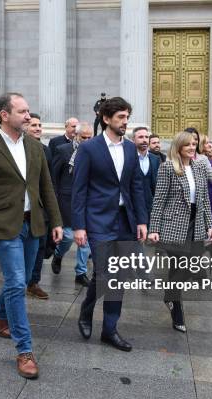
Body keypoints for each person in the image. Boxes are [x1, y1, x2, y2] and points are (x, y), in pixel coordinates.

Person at [0, 92, 62, 379]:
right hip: (5, 226)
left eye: (28, 111)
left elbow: (46, 187)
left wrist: (56, 220)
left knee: (18, 280)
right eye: (22, 111)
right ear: (4, 115)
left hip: (33, 225)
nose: (28, 116)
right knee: (18, 283)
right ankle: (25, 350)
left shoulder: (35, 146)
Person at [73, 97, 148, 352]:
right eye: (121, 118)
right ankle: (86, 311)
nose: (125, 122)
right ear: (106, 119)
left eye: (127, 117)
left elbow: (136, 186)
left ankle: (109, 329)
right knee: (105, 273)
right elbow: (79, 190)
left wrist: (141, 220)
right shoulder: (89, 149)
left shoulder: (130, 149)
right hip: (98, 221)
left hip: (125, 220)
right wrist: (80, 226)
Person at [148, 131, 212, 333]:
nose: (192, 147)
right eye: (188, 145)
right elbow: (158, 200)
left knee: (188, 266)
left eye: (194, 144)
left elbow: (204, 200)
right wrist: (154, 229)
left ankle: (169, 296)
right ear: (178, 147)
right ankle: (177, 310)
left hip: (196, 224)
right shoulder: (167, 168)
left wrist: (210, 225)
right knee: (180, 267)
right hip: (173, 225)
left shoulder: (200, 167)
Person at [51, 122, 93, 286]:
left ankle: (80, 273)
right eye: (84, 137)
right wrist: (54, 198)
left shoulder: (94, 152)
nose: (87, 140)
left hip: (87, 201)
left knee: (85, 241)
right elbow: (54, 177)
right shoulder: (63, 151)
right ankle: (58, 254)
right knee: (68, 237)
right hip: (66, 200)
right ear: (76, 135)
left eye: (90, 137)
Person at [24, 113, 53, 299]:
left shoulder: (45, 150)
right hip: (20, 208)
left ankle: (33, 282)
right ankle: (23, 279)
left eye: (39, 125)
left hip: (40, 207)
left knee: (40, 245)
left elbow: (50, 181)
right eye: (33, 125)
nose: (37, 128)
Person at [132, 126, 161, 217]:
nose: (144, 140)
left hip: (152, 210)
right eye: (140, 137)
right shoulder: (128, 158)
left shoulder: (155, 159)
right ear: (133, 140)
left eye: (146, 137)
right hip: (133, 210)